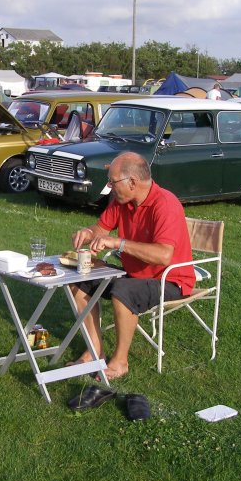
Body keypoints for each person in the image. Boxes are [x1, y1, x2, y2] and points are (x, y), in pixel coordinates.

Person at [69, 152, 195, 379]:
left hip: (169, 279)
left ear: (133, 183)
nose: (109, 186)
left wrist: (119, 243)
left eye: (112, 181)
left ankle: (120, 362)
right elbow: (101, 229)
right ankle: (95, 351)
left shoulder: (165, 204)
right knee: (81, 278)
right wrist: (88, 233)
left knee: (123, 290)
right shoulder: (121, 201)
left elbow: (164, 256)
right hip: (134, 274)